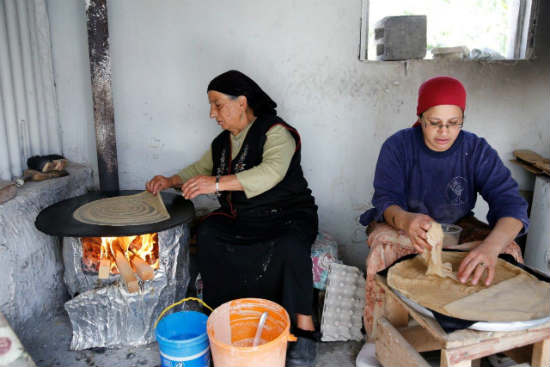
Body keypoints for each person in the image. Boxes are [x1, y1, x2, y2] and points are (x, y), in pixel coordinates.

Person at [146, 70, 319, 365]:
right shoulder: (223, 143)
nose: (213, 113)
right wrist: (169, 180)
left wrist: (214, 184)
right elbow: (197, 169)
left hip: (288, 215)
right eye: (211, 106)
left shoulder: (276, 132)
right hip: (246, 217)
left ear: (241, 102)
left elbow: (271, 172)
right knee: (210, 232)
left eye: (217, 104)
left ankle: (304, 331)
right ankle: (222, 317)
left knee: (291, 246)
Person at [360, 76, 529, 337]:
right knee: (383, 248)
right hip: (404, 224)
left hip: (457, 225)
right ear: (421, 117)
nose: (444, 132)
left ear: (463, 119)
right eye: (435, 123)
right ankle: (381, 337)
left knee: (509, 251)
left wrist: (490, 248)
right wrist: (407, 221)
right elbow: (386, 200)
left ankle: (495, 334)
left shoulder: (476, 150)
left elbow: (512, 206)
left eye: (454, 123)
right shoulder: (398, 146)